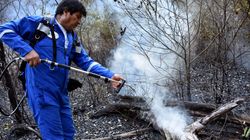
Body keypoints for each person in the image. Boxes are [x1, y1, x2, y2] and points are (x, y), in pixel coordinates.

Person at [0, 0, 123, 139]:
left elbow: (85, 61)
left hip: (61, 93)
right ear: (65, 12)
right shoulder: (41, 24)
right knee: (54, 136)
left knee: (68, 134)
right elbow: (4, 30)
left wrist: (110, 75)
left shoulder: (72, 37)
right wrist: (27, 51)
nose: (78, 22)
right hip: (42, 92)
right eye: (77, 17)